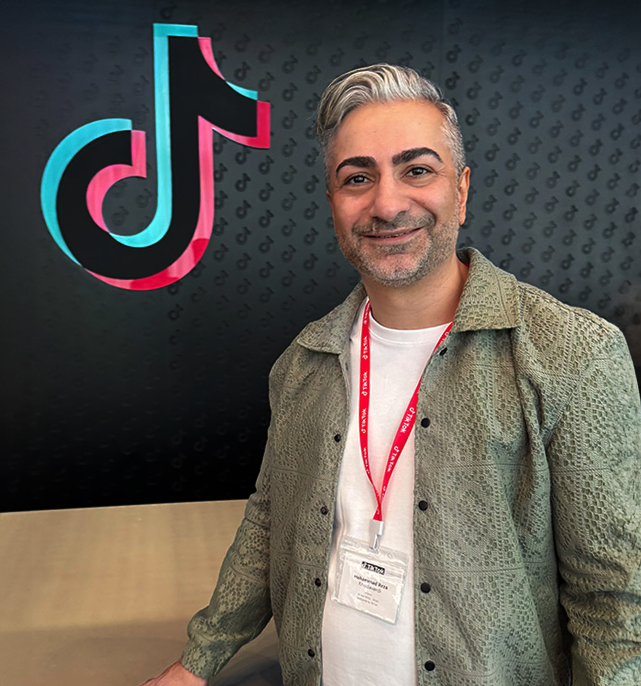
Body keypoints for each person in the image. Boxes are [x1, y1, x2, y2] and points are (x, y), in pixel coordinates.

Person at [143, 65, 641, 686]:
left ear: (461, 189)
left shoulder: (573, 354)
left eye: (417, 170)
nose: (387, 203)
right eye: (358, 178)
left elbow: (614, 602)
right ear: (332, 202)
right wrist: (198, 660)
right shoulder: (305, 361)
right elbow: (269, 523)